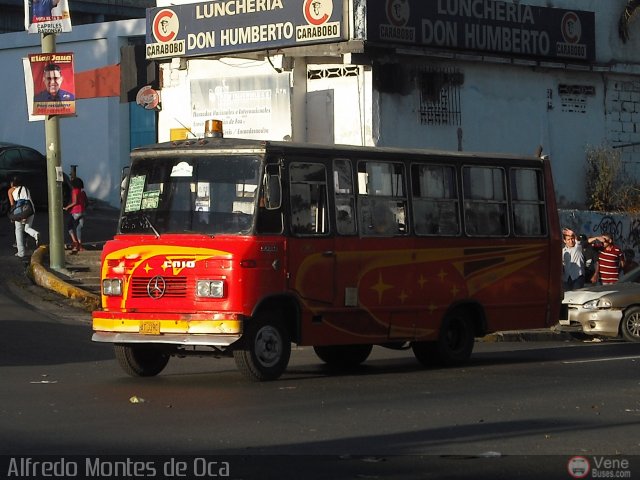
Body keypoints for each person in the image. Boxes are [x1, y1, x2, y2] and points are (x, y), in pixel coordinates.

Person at [10, 176, 39, 259]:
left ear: (13, 184)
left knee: (18, 230)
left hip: (22, 213)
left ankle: (21, 252)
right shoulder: (26, 189)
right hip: (31, 210)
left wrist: (15, 216)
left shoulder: (14, 192)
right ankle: (35, 234)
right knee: (27, 228)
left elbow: (18, 204)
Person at [64, 177, 87, 253]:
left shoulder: (74, 191)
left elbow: (75, 202)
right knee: (79, 228)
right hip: (82, 212)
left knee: (69, 226)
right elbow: (86, 202)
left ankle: (75, 242)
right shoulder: (82, 192)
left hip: (75, 212)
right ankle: (80, 245)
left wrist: (67, 207)